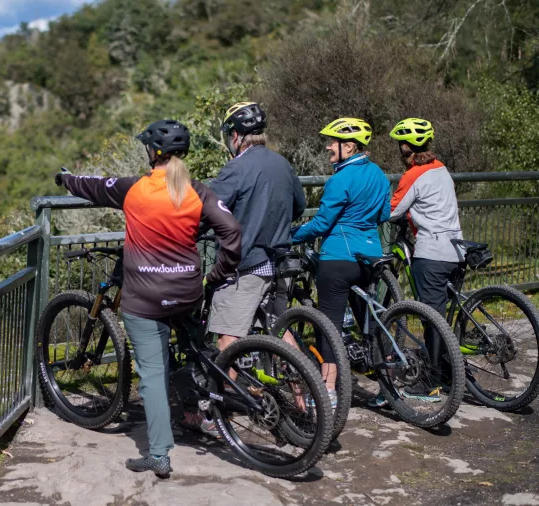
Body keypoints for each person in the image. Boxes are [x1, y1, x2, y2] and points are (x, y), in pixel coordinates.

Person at [56, 119, 242, 478]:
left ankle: (159, 455)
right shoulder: (196, 191)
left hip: (145, 298)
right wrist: (216, 274)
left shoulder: (133, 189)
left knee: (152, 375)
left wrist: (65, 179)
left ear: (152, 153)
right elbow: (231, 231)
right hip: (188, 291)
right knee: (193, 348)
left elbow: (93, 186)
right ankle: (200, 405)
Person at [183, 102, 306, 434]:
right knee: (279, 329)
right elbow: (299, 205)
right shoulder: (282, 164)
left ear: (235, 136)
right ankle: (305, 401)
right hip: (279, 263)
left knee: (229, 338)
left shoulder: (236, 169)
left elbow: (206, 212)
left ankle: (212, 416)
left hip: (246, 264)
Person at [291, 117, 390, 408]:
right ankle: (389, 388)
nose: (327, 147)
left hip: (338, 258)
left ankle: (328, 393)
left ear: (348, 146)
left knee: (329, 327)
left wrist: (293, 235)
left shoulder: (339, 179)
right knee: (369, 323)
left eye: (331, 142)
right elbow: (384, 214)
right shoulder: (380, 175)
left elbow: (322, 223)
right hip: (370, 257)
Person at [369, 118, 464, 406]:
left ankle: (432, 384)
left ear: (406, 145)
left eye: (400, 142)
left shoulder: (413, 174)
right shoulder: (441, 168)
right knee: (444, 317)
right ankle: (449, 373)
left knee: (431, 319)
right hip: (456, 251)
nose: (399, 147)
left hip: (432, 253)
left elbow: (392, 210)